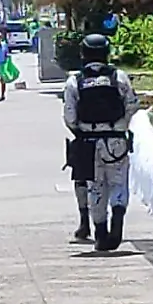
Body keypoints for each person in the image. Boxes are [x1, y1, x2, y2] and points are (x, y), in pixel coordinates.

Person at [63, 34, 140, 251]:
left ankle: (100, 233)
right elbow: (132, 104)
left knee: (95, 188)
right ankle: (117, 224)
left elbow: (69, 116)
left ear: (83, 54)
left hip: (88, 141)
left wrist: (81, 131)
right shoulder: (119, 77)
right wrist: (121, 125)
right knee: (118, 183)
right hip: (116, 142)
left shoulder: (74, 81)